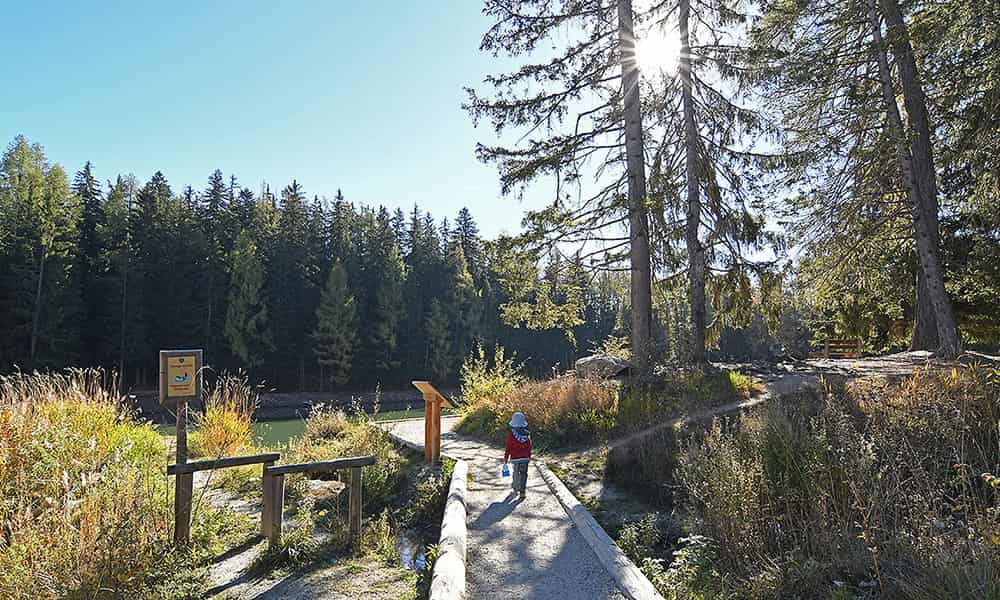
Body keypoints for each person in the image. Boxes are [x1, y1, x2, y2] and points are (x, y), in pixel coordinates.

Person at [503, 412, 532, 499]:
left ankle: (515, 489)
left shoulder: (511, 434)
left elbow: (508, 446)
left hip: (515, 458)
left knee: (516, 473)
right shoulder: (527, 434)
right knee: (524, 474)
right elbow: (529, 446)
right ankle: (522, 492)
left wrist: (506, 457)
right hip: (525, 458)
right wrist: (529, 456)